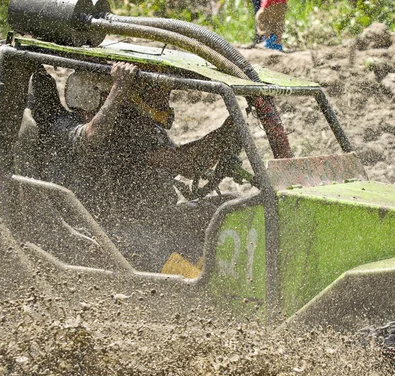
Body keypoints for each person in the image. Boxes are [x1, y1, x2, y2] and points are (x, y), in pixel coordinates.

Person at [18, 62, 241, 271]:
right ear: (92, 94)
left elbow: (189, 164)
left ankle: (231, 274)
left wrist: (228, 131)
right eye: (111, 94)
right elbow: (92, 136)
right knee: (165, 245)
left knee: (231, 206)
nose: (163, 99)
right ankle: (206, 293)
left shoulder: (135, 130)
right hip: (100, 234)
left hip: (151, 220)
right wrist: (120, 86)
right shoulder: (64, 126)